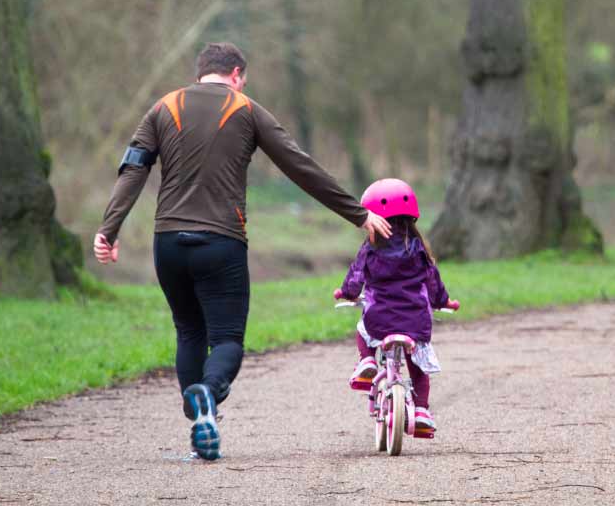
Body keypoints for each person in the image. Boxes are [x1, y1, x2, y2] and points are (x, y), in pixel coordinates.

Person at [92, 42, 391, 460]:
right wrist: (358, 215)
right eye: (243, 80)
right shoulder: (246, 108)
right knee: (227, 339)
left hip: (168, 243)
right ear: (235, 74)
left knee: (189, 331)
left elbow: (132, 169)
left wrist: (109, 229)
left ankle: (200, 421)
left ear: (201, 73)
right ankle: (208, 397)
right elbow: (298, 165)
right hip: (221, 241)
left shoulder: (163, 107)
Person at [333, 178, 458, 436]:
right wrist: (443, 301)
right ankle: (421, 410)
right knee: (418, 368)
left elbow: (356, 277)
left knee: (362, 330)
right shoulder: (420, 250)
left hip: (379, 319)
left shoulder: (370, 249)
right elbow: (433, 282)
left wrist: (346, 293)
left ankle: (367, 361)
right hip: (416, 321)